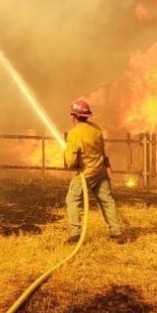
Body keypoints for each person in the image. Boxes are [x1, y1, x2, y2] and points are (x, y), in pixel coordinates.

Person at [63, 99, 125, 244]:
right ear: (86, 116)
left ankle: (75, 234)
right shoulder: (96, 129)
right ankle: (117, 233)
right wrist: (107, 165)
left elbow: (71, 161)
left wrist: (69, 153)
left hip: (85, 174)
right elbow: (102, 150)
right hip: (100, 171)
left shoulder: (74, 134)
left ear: (74, 116)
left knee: (72, 200)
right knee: (107, 201)